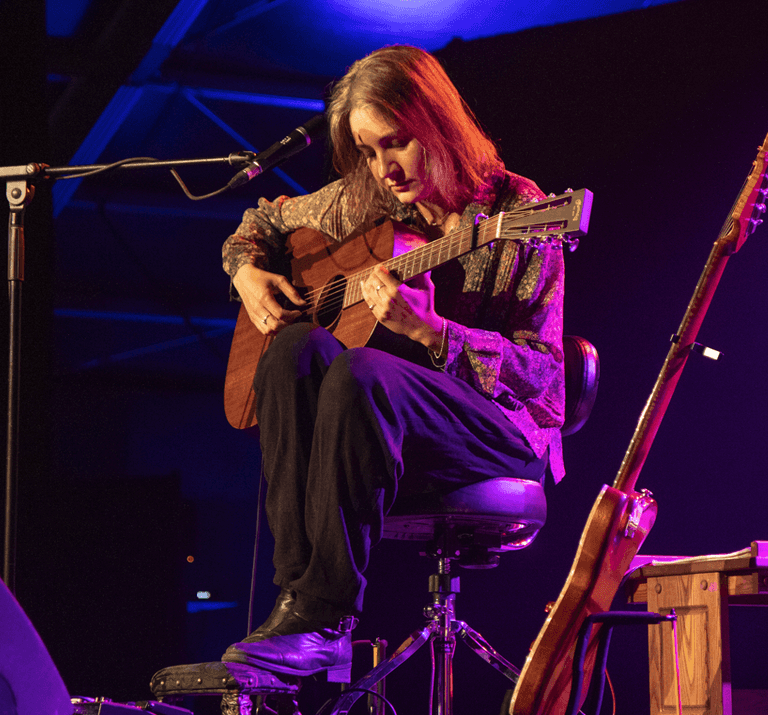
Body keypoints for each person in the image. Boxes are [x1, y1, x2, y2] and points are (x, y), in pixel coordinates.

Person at [220, 44, 565, 679]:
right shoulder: (367, 206)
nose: (384, 169)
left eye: (397, 144)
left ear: (438, 126)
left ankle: (326, 616)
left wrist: (436, 333)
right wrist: (245, 272)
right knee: (296, 347)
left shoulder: (521, 214)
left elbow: (545, 377)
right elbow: (258, 222)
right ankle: (299, 606)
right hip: (386, 433)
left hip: (498, 432)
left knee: (363, 371)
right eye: (368, 152)